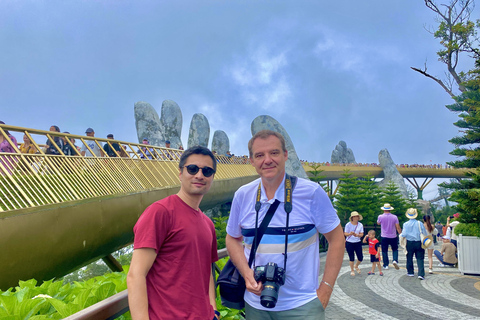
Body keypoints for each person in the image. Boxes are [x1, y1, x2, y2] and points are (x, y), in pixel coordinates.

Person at [225, 130, 345, 320]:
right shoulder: (243, 195)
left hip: (302, 305)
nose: (267, 160)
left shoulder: (311, 193)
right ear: (251, 160)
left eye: (274, 153)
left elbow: (337, 238)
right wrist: (247, 274)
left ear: (285, 155)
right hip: (255, 304)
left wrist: (325, 289)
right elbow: (232, 237)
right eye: (259, 155)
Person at [127, 146, 219, 320]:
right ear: (180, 173)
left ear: (212, 177)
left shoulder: (208, 224)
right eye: (192, 169)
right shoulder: (160, 212)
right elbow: (136, 275)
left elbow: (206, 270)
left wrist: (213, 310)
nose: (199, 175)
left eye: (207, 171)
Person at [400, 208, 427, 280]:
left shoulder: (405, 224)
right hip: (419, 242)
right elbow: (424, 233)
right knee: (420, 258)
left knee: (409, 257)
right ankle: (421, 274)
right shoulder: (419, 223)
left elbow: (404, 234)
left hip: (409, 242)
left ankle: (410, 272)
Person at [377, 203, 402, 270]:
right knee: (395, 249)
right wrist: (401, 234)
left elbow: (378, 223)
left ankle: (386, 265)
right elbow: (397, 227)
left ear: (384, 209)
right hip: (393, 235)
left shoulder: (380, 216)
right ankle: (395, 260)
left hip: (384, 236)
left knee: (384, 251)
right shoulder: (394, 217)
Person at [344, 211, 364, 276]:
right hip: (349, 242)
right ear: (352, 218)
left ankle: (356, 265)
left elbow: (362, 234)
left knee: (360, 257)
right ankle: (352, 270)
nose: (356, 218)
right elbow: (345, 233)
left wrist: (357, 235)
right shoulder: (348, 224)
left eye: (357, 217)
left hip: (357, 242)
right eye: (354, 217)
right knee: (351, 257)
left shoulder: (360, 225)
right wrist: (350, 233)